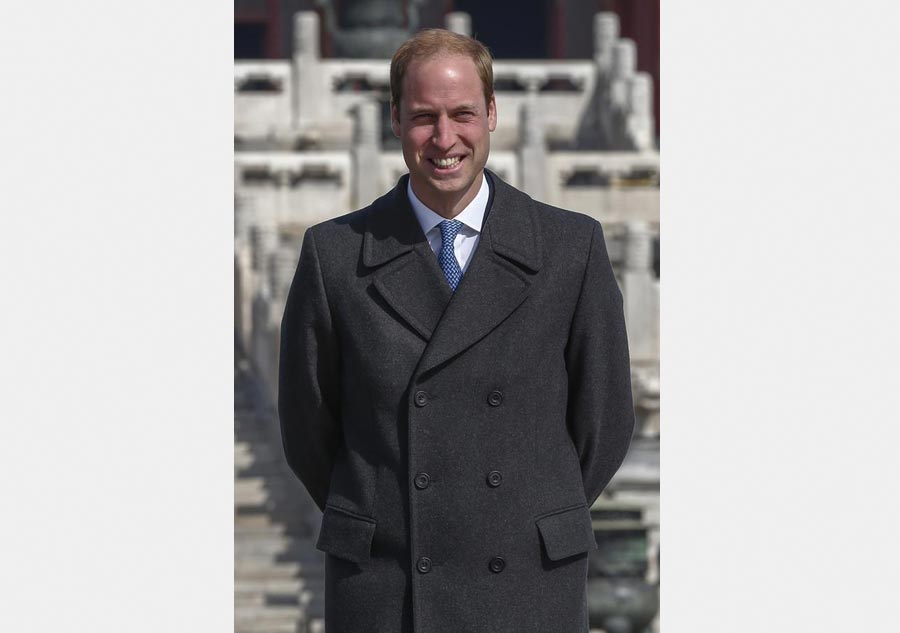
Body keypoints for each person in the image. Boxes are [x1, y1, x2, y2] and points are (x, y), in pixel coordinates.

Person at [278, 28, 635, 633]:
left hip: (527, 584)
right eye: (424, 117)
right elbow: (309, 430)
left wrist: (529, 511)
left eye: (463, 114)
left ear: (492, 113)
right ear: (394, 120)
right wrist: (388, 513)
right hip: (389, 586)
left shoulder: (570, 249)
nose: (445, 140)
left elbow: (605, 421)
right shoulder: (335, 256)